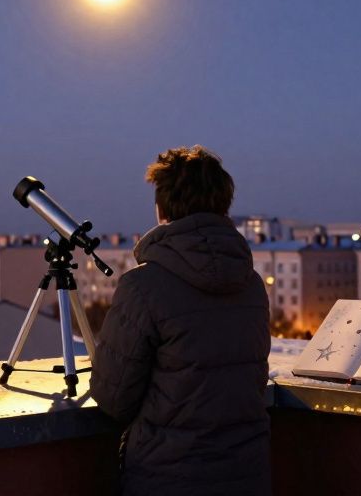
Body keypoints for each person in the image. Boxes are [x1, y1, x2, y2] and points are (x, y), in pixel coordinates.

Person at [91, 145, 271, 496]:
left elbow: (113, 398)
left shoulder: (143, 286)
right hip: (247, 473)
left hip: (169, 476)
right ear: (223, 204)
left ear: (161, 209)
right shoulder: (250, 284)